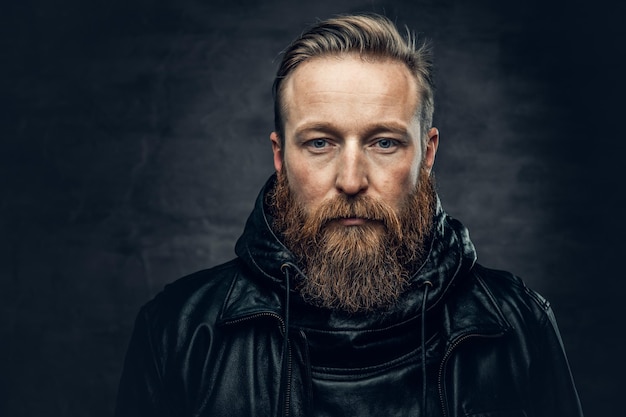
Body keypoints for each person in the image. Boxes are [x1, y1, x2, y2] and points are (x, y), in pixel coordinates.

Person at [115, 13, 584, 417]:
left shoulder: (518, 324)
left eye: (384, 142)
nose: (352, 179)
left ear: (427, 153)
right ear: (280, 157)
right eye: (320, 143)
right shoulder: (177, 332)